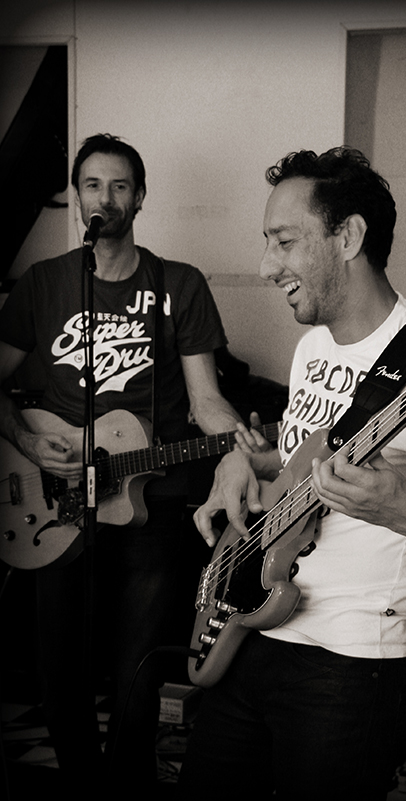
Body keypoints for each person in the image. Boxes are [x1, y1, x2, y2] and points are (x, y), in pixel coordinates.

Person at [178, 147, 406, 800]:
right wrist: (241, 460)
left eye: (284, 241)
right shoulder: (312, 344)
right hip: (259, 628)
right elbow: (299, 460)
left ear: (349, 237)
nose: (266, 266)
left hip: (354, 666)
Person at [0, 133, 265, 799]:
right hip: (56, 503)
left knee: (139, 673)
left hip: (154, 505)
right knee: (58, 672)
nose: (106, 197)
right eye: (92, 184)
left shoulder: (179, 284)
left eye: (119, 185)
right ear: (77, 197)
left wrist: (240, 440)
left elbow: (205, 400)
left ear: (140, 197)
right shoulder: (44, 283)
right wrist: (28, 443)